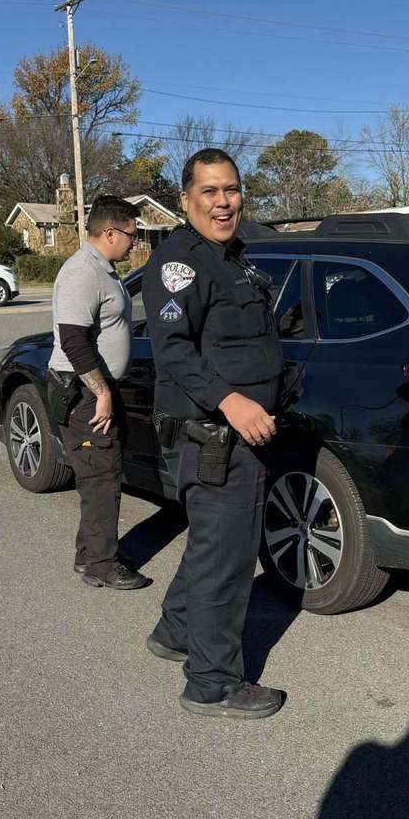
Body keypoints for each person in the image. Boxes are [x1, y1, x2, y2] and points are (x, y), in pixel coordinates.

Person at [142, 149, 286, 720]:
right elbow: (173, 350)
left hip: (239, 432)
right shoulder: (178, 262)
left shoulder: (232, 257)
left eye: (231, 189)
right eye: (209, 191)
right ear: (185, 200)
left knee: (213, 545)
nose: (223, 202)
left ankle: (175, 632)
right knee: (225, 560)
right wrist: (232, 401)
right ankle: (212, 682)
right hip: (215, 435)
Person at [49, 194, 151, 591]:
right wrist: (102, 392)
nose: (135, 242)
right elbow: (73, 340)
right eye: (131, 234)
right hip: (84, 395)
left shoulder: (103, 270)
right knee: (101, 480)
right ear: (110, 232)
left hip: (97, 389)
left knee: (100, 475)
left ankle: (88, 554)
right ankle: (101, 565)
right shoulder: (82, 272)